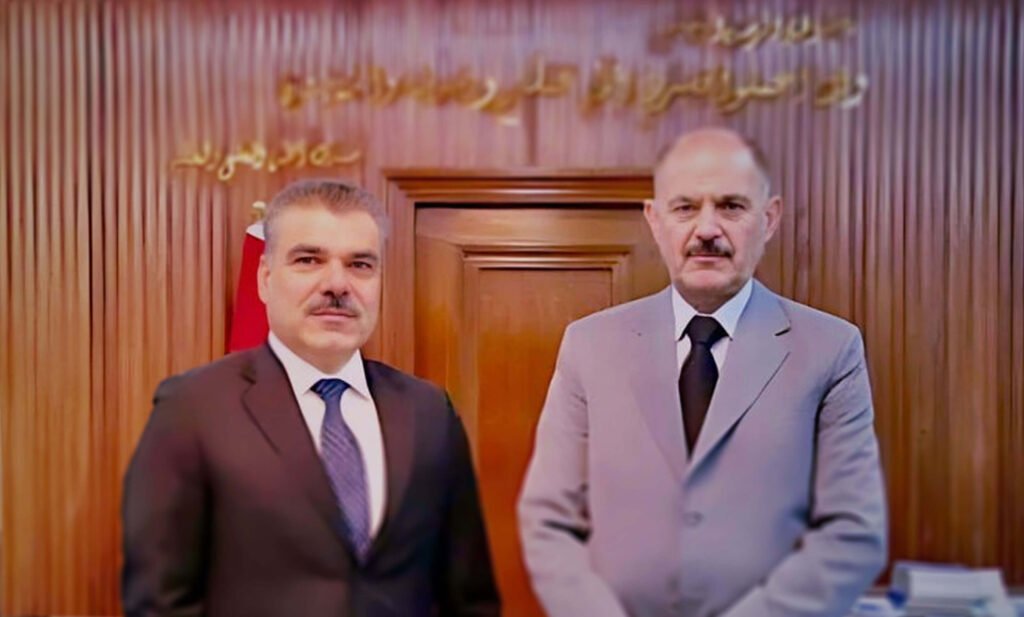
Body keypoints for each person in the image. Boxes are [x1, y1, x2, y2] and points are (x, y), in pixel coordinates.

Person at [518, 127, 887, 617]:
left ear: (769, 218)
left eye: (731, 206)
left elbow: (853, 531)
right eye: (685, 207)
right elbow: (548, 522)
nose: (707, 229)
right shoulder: (589, 345)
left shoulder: (831, 349)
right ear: (655, 220)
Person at [122, 179, 500, 616]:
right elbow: (159, 603)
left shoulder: (430, 411)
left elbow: (468, 596)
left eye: (360, 264)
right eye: (308, 260)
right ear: (265, 279)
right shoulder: (192, 408)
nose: (337, 284)